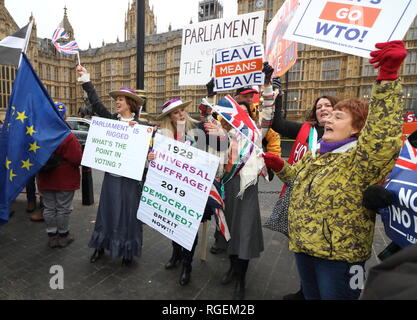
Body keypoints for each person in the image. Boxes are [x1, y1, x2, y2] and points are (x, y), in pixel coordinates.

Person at [263, 40, 407, 300]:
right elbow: (298, 178)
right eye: (328, 115)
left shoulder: (362, 159)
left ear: (356, 129)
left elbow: (382, 135)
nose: (327, 118)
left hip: (339, 258)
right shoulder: (318, 152)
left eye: (337, 116)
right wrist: (282, 167)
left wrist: (387, 79)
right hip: (304, 247)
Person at [76, 65, 152, 266]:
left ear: (131, 104)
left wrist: (148, 152)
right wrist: (86, 81)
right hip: (112, 177)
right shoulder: (110, 120)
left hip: (131, 180)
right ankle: (100, 246)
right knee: (107, 211)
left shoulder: (143, 128)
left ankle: (127, 250)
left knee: (129, 214)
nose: (117, 102)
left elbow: (149, 156)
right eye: (116, 99)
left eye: (121, 99)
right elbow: (96, 102)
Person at [269, 87, 339, 301]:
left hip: (329, 201)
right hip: (301, 196)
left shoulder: (347, 135)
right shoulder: (306, 130)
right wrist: (277, 98)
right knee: (302, 245)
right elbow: (277, 125)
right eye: (319, 107)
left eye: (327, 105)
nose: (323, 109)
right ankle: (305, 290)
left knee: (325, 250)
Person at [148, 98, 224, 286]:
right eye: (176, 112)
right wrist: (151, 157)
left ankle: (187, 265)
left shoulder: (199, 128)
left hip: (192, 188)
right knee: (173, 223)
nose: (181, 114)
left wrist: (220, 133)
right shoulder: (162, 134)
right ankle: (175, 255)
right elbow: (154, 159)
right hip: (170, 187)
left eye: (182, 110)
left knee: (188, 226)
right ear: (169, 117)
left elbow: (221, 146)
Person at [37, 102, 82, 248]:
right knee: (62, 209)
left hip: (45, 178)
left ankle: (52, 236)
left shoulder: (40, 134)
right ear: (65, 117)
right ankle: (63, 236)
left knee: (49, 208)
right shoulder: (68, 136)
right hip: (65, 180)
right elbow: (77, 159)